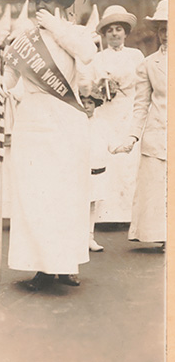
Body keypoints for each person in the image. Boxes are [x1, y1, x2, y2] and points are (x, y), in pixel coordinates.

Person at [0, 0, 97, 290]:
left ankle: (65, 263)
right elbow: (6, 80)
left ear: (63, 0)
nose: (44, 6)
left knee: (67, 194)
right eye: (40, 0)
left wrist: (56, 27)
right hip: (34, 121)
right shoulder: (22, 40)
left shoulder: (73, 33)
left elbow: (88, 54)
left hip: (66, 120)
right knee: (36, 195)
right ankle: (40, 265)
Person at [80, 5, 145, 224]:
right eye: (110, 30)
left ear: (126, 33)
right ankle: (107, 214)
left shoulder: (136, 56)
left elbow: (143, 85)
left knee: (129, 161)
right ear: (105, 34)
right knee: (108, 158)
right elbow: (86, 87)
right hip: (107, 112)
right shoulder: (98, 59)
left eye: (119, 29)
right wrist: (98, 87)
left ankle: (130, 214)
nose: (115, 34)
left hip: (129, 111)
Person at [111, 0, 167, 250]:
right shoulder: (148, 64)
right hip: (158, 134)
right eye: (161, 28)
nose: (165, 33)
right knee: (158, 190)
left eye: (170, 26)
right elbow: (141, 105)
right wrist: (132, 137)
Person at [81, 82, 113, 252]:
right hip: (79, 172)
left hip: (95, 170)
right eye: (84, 102)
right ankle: (77, 238)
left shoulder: (101, 124)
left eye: (90, 103)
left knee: (92, 204)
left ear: (96, 105)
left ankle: (89, 237)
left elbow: (110, 144)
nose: (86, 106)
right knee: (79, 204)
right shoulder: (75, 123)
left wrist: (122, 146)